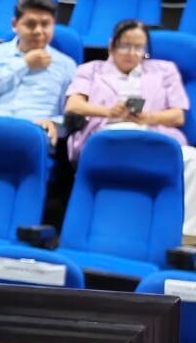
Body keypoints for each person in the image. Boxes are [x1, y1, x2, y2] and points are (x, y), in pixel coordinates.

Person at [65, 19, 196, 232]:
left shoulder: (165, 70)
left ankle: (187, 235)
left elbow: (178, 115)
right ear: (111, 45)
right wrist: (108, 112)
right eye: (125, 46)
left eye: (139, 47)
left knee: (192, 159)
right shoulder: (91, 70)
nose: (132, 53)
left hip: (154, 135)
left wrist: (147, 117)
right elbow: (74, 105)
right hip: (107, 134)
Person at [0, 0, 76, 148]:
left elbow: (73, 115)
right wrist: (24, 64)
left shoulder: (66, 65)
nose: (38, 31)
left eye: (45, 24)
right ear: (15, 24)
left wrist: (54, 123)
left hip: (34, 135)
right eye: (30, 24)